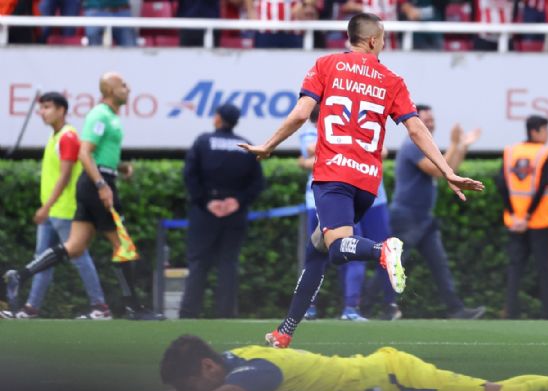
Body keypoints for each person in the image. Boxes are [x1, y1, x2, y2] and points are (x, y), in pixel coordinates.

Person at [240, 13, 485, 348]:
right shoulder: (391, 79)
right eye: (383, 38)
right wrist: (448, 170)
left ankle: (382, 249)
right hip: (367, 185)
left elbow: (300, 113)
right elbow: (415, 129)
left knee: (340, 248)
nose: (383, 43)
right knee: (318, 250)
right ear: (372, 40)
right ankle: (285, 331)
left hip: (332, 177)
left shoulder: (325, 65)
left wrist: (268, 145)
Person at [3, 72, 164, 321]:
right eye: (122, 85)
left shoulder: (108, 117)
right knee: (122, 245)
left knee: (75, 247)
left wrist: (120, 167)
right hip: (97, 183)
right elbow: (85, 154)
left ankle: (19, 276)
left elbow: (97, 153)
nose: (128, 88)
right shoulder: (100, 115)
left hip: (95, 182)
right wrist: (102, 184)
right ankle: (133, 308)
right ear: (110, 90)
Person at [111, 334, 548, 391]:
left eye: (191, 385)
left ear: (209, 368)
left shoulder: (249, 376)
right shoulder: (232, 360)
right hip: (380, 386)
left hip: (394, 383)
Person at [0, 92, 109, 320]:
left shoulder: (68, 137)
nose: (43, 112)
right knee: (42, 260)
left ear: (62, 110)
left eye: (48, 107)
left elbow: (66, 175)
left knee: (79, 257)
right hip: (54, 211)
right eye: (42, 108)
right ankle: (31, 308)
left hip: (65, 210)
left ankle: (100, 306)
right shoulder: (56, 136)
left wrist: (46, 206)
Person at [298, 105, 397, 321]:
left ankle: (354, 307)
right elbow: (310, 151)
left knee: (349, 250)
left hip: (352, 198)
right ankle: (310, 307)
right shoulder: (318, 130)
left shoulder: (358, 127)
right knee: (319, 253)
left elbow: (383, 151)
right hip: (324, 200)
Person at [390, 104, 485, 320]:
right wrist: (454, 144)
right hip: (408, 216)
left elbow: (449, 171)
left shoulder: (427, 146)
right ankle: (370, 305)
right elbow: (436, 170)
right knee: (394, 264)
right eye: (426, 120)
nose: (431, 123)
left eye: (432, 119)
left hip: (423, 218)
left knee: (439, 264)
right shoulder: (414, 145)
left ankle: (455, 309)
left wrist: (462, 146)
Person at [179, 104, 264, 319]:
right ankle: (226, 314)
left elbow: (190, 175)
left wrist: (206, 201)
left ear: (218, 118)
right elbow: (257, 182)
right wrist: (238, 201)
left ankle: (189, 313)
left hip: (204, 212)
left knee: (198, 262)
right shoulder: (246, 147)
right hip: (235, 214)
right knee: (229, 263)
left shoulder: (203, 142)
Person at [496, 115, 548, 319]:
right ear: (535, 131)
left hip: (514, 221)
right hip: (539, 220)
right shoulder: (544, 153)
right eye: (545, 130)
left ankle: (510, 313)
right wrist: (528, 215)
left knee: (515, 268)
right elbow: (542, 187)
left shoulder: (511, 152)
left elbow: (502, 184)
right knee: (544, 269)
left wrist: (515, 214)